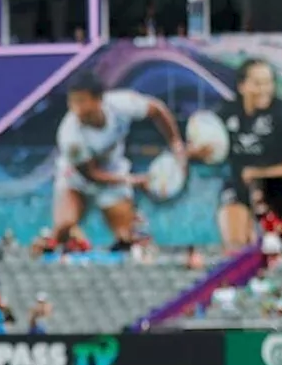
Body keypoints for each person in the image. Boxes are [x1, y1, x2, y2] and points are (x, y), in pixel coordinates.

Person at [54, 73, 186, 247]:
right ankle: (70, 243)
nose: (75, 108)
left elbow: (157, 110)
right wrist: (133, 181)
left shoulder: (122, 104)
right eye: (72, 102)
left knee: (128, 238)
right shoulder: (69, 136)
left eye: (81, 101)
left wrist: (176, 144)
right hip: (76, 180)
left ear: (98, 99)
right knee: (64, 229)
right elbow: (91, 175)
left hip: (113, 171)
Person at [197, 59, 282, 250]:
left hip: (276, 189)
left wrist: (260, 173)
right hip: (238, 187)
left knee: (275, 250)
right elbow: (203, 145)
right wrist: (199, 151)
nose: (265, 89)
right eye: (258, 83)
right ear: (242, 86)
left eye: (268, 83)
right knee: (235, 245)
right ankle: (236, 268)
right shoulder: (225, 112)